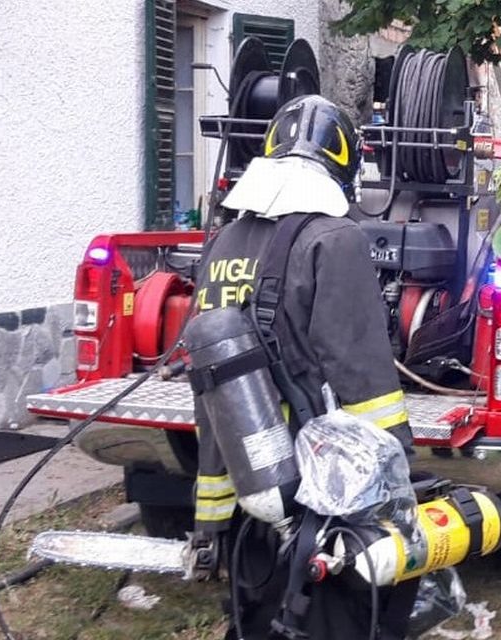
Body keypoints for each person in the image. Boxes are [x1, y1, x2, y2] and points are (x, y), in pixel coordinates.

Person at [191, 94, 417, 639]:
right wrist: (397, 476)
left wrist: (210, 518)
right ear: (342, 164)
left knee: (257, 618)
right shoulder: (334, 239)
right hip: (318, 487)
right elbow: (363, 379)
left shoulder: (222, 241)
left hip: (251, 478)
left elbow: (212, 393)